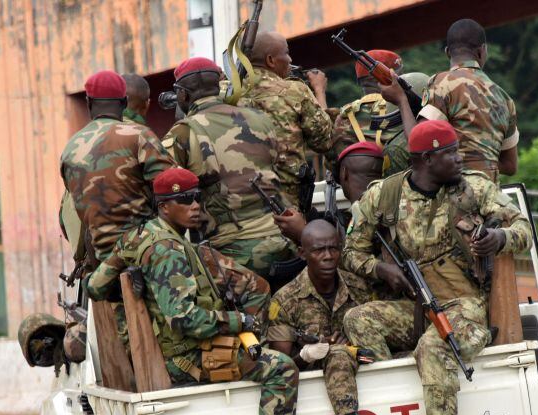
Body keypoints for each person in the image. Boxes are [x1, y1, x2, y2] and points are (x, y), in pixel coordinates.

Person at [341, 121, 532, 415]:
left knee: (434, 347)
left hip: (466, 306)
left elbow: (524, 229)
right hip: (418, 305)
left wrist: (499, 238)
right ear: (426, 159)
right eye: (450, 153)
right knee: (358, 320)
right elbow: (350, 251)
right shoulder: (385, 195)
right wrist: (381, 270)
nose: (459, 159)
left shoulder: (472, 188)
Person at [128, 167, 319, 415]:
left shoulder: (154, 238)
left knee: (262, 318)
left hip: (200, 346)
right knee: (281, 368)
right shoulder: (166, 249)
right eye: (184, 200)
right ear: (164, 207)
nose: (195, 206)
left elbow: (98, 282)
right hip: (187, 357)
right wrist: (238, 321)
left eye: (196, 198)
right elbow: (184, 320)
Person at [161, 57, 300, 284]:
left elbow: (166, 192)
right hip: (285, 242)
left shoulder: (183, 133)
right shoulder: (260, 119)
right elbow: (285, 170)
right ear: (218, 85)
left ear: (183, 95)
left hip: (232, 256)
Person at [266, 220, 382, 415]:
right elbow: (281, 364)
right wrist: (307, 355)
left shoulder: (359, 287)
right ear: (302, 253)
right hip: (312, 379)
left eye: (334, 248)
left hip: (365, 365)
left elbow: (379, 346)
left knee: (341, 353)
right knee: (337, 355)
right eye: (319, 250)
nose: (328, 256)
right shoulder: (285, 300)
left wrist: (352, 343)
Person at [60, 70, 174, 302]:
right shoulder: (139, 135)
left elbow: (71, 211)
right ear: (123, 103)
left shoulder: (70, 149)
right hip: (147, 257)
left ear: (89, 103)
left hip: (102, 266)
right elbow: (174, 189)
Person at [238, 31, 333, 209]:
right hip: (286, 205)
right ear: (270, 60)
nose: (290, 59)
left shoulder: (227, 93)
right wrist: (319, 90)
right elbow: (324, 141)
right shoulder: (295, 91)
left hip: (240, 203)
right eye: (286, 53)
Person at [418, 19, 519, 181]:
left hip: (455, 190)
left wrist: (401, 100)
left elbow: (421, 139)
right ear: (482, 51)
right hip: (490, 192)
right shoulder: (505, 98)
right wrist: (483, 164)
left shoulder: (442, 83)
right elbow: (510, 165)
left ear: (447, 52)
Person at [329, 50, 405, 168]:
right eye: (400, 75)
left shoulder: (345, 117)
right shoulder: (404, 106)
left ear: (360, 82)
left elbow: (333, 163)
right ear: (389, 77)